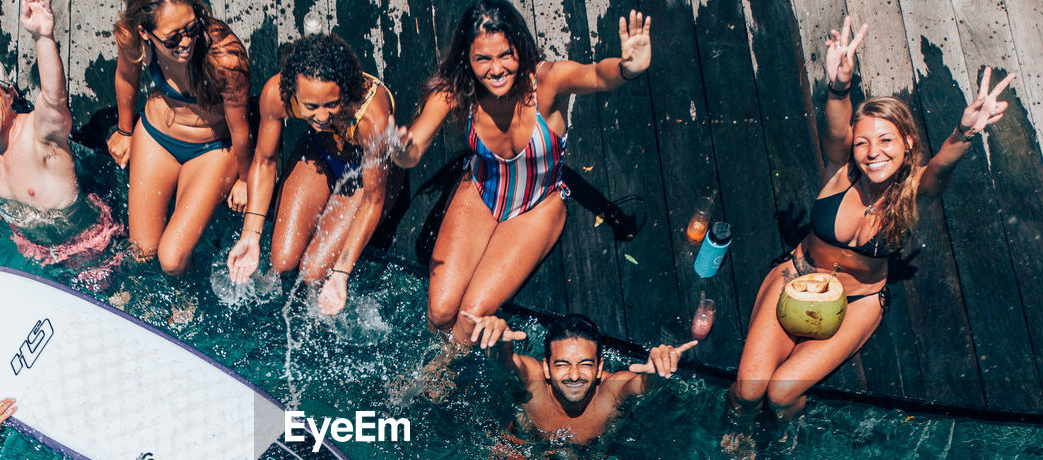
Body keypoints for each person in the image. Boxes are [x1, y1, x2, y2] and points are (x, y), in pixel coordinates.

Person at [729, 18, 1015, 422]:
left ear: (907, 143)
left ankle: (781, 440)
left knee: (780, 394)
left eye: (886, 140)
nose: (872, 152)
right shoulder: (838, 170)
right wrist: (840, 86)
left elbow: (939, 173)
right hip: (797, 277)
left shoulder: (914, 191)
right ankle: (734, 434)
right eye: (862, 142)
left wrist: (963, 134)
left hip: (857, 300)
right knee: (747, 392)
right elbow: (834, 131)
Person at [391, 2, 651, 348]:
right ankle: (432, 356)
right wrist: (402, 151)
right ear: (466, 58)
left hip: (538, 205)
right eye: (483, 59)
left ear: (520, 49)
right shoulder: (454, 91)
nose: (497, 69)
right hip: (481, 192)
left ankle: (440, 373)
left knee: (469, 319)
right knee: (439, 312)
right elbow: (415, 147)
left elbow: (598, 76)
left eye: (506, 55)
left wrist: (628, 68)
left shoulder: (547, 81)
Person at [225, 34, 401, 315]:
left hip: (367, 178)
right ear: (294, 94)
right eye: (311, 107)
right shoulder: (278, 94)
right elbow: (266, 160)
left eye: (332, 104)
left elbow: (372, 200)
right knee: (281, 262)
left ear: (345, 91)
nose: (321, 116)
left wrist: (341, 274)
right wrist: (250, 235)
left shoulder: (370, 119)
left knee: (313, 272)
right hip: (321, 155)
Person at [0, 0, 120, 278]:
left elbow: (54, 100)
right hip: (35, 254)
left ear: (10, 95)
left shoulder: (38, 136)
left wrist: (43, 37)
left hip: (92, 253)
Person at [109, 0, 252, 275]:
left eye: (191, 28)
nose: (186, 42)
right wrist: (125, 131)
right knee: (141, 253)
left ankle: (187, 295)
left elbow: (239, 127)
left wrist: (246, 179)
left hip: (212, 148)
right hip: (157, 138)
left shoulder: (225, 58)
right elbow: (127, 77)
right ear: (144, 32)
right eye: (173, 38)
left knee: (172, 259)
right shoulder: (132, 38)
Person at [466, 311, 694, 460]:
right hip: (521, 454)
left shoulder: (611, 393)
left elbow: (641, 385)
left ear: (599, 367)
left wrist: (658, 371)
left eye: (585, 364)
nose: (574, 375)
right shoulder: (532, 383)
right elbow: (506, 365)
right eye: (563, 364)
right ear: (546, 368)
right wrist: (495, 344)